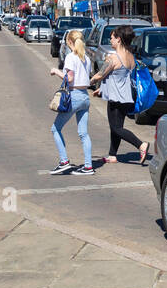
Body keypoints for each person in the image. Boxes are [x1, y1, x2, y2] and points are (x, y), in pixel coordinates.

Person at [92, 24, 148, 165]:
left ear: (119, 39)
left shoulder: (113, 58)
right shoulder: (130, 56)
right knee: (116, 126)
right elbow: (118, 78)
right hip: (126, 96)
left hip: (116, 98)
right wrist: (103, 89)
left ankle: (141, 145)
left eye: (111, 38)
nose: (110, 41)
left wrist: (87, 82)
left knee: (116, 128)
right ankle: (112, 155)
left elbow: (100, 75)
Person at [48, 29, 96, 175]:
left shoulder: (70, 57)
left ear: (69, 42)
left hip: (74, 95)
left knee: (56, 128)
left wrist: (56, 71)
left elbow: (69, 79)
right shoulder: (86, 58)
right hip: (84, 97)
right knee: (83, 133)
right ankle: (88, 166)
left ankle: (64, 161)